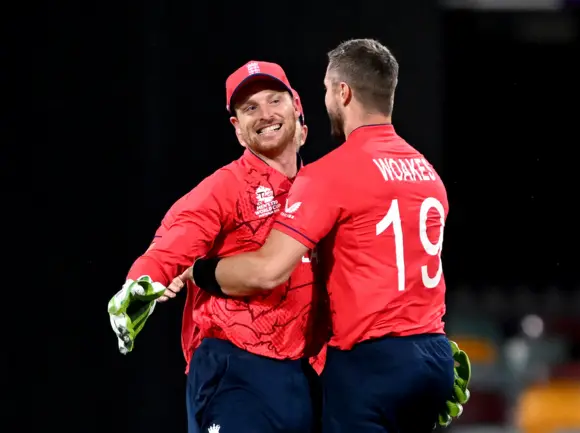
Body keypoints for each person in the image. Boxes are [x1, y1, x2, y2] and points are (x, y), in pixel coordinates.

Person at [191, 39, 461, 433]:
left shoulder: (331, 173)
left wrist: (198, 272)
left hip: (370, 363)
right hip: (434, 359)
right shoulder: (428, 174)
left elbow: (268, 271)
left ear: (343, 92)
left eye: (324, 91)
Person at [110, 60, 327, 433]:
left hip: (308, 373)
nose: (265, 114)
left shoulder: (325, 187)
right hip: (236, 371)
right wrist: (141, 281)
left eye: (275, 100)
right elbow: (172, 244)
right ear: (238, 130)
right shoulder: (224, 187)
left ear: (297, 108)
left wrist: (413, 344)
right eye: (250, 108)